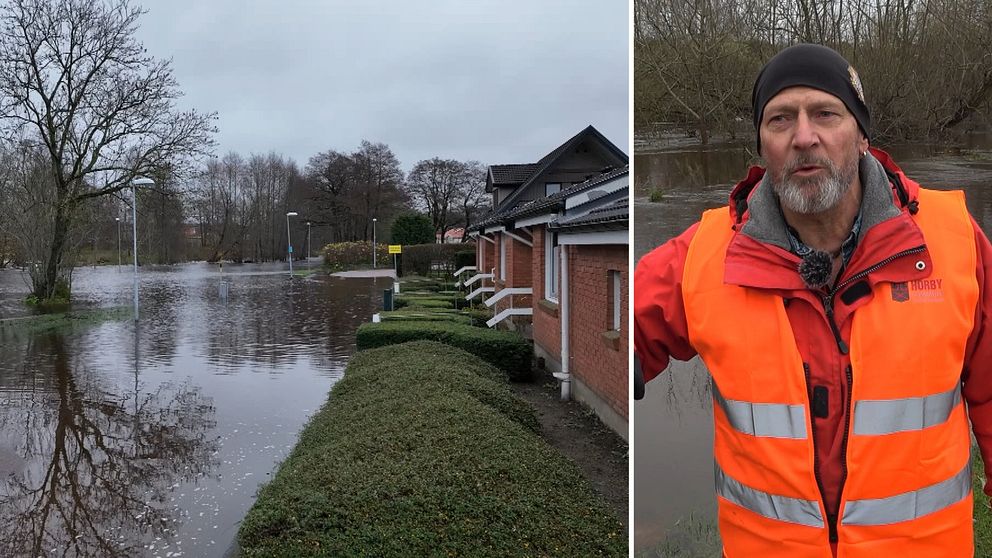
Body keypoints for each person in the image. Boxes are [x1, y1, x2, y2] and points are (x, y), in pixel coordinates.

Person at [634, 43, 992, 557]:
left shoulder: (953, 242)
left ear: (861, 134)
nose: (805, 137)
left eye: (826, 113)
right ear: (762, 143)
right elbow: (621, 331)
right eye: (780, 119)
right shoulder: (701, 257)